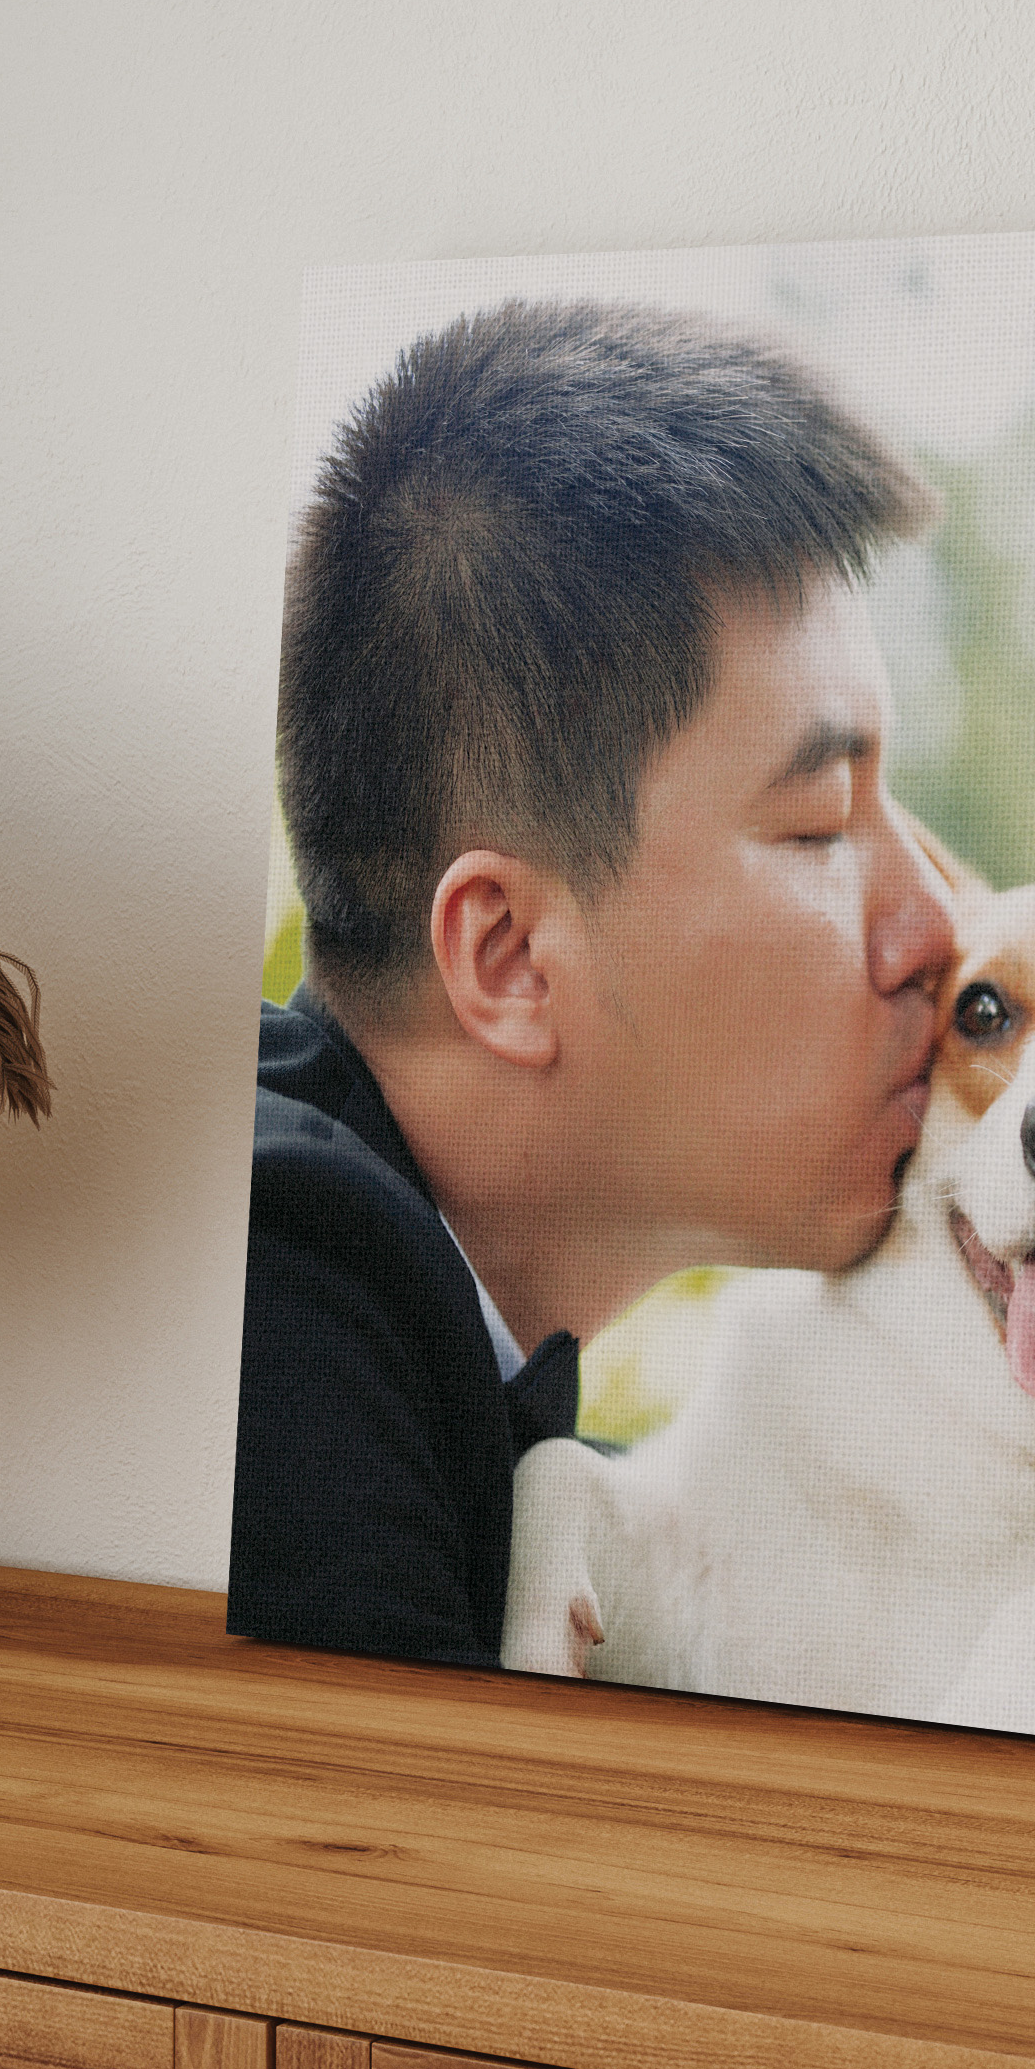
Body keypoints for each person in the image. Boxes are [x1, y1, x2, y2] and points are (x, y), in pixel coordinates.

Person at [230, 299, 955, 1667]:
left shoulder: (431, 1359)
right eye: (817, 827)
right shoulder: (277, 1348)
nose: (935, 925)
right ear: (507, 958)